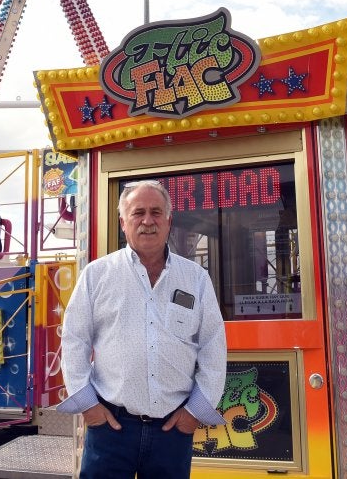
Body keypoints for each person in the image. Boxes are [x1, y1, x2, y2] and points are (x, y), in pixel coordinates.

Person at [58, 179, 227, 479]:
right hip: (110, 428)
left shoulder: (196, 279)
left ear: (169, 220)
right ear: (123, 222)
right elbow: (74, 341)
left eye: (156, 212)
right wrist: (88, 407)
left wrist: (193, 414)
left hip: (173, 431)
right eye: (138, 213)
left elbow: (213, 348)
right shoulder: (97, 275)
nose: (148, 221)